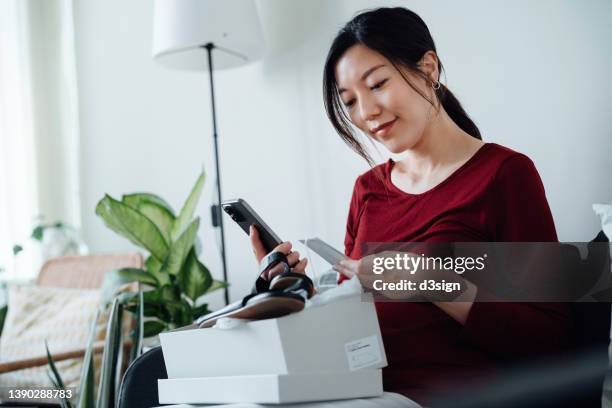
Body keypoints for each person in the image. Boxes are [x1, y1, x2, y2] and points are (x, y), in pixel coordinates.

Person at [250, 7, 571, 406]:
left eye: (378, 84)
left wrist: (428, 281)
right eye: (349, 101)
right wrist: (291, 292)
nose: (366, 114)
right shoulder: (366, 190)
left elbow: (553, 340)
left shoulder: (505, 175)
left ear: (429, 69)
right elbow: (354, 325)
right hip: (359, 392)